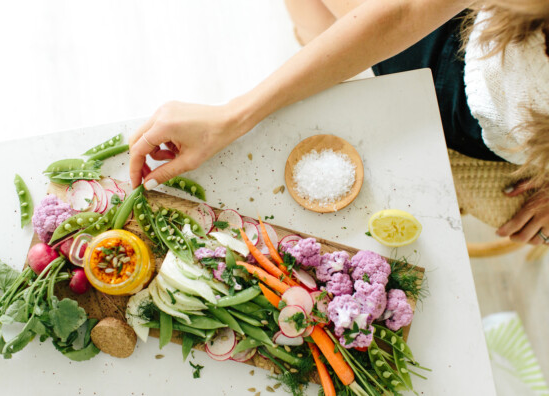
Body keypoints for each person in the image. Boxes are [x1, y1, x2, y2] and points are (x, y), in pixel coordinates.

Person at [128, 0, 549, 246]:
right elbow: (408, 11)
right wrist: (233, 115)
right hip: (478, 45)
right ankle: (324, 54)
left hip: (480, 127)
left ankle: (325, 55)